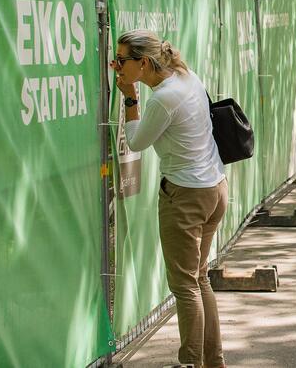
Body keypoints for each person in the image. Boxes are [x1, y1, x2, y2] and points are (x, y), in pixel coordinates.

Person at [112, 29, 227, 368]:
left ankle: (190, 362)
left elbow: (136, 141)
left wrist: (130, 98)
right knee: (199, 278)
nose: (117, 68)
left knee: (184, 286)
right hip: (214, 188)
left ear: (143, 63)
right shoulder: (184, 75)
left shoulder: (163, 97)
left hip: (186, 196)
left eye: (121, 61)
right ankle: (213, 361)